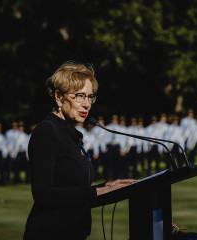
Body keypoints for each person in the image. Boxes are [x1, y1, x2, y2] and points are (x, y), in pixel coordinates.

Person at [23, 61, 135, 240]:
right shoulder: (48, 131)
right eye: (79, 96)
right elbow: (43, 193)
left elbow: (74, 188)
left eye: (90, 97)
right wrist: (97, 192)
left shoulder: (69, 133)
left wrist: (108, 187)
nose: (87, 104)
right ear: (59, 97)